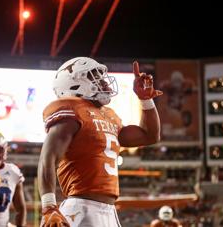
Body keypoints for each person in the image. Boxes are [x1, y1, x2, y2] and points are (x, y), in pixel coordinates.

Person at [38, 57, 163, 227]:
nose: (103, 81)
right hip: (81, 208)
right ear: (74, 84)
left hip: (109, 210)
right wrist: (48, 206)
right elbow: (48, 158)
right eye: (94, 76)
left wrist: (145, 100)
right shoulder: (71, 110)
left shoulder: (109, 115)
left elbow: (149, 136)